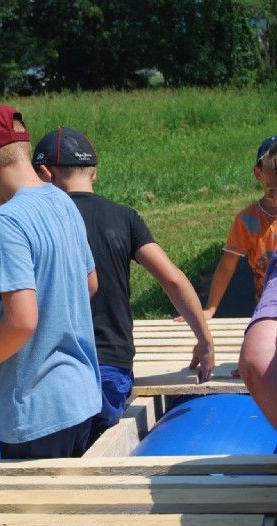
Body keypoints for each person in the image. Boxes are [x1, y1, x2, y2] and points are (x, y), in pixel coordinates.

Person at [0, 105, 101, 459]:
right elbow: (90, 284)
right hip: (81, 396)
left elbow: (21, 321)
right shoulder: (63, 200)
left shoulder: (6, 221)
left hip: (35, 410)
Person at [32, 128, 215, 446]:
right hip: (110, 368)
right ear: (94, 174)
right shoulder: (123, 217)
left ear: (45, 174)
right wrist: (204, 341)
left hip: (53, 369)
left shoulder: (34, 221)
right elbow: (172, 279)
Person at [186, 135, 277, 320]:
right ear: (259, 173)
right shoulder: (247, 221)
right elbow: (227, 265)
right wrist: (211, 308)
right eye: (271, 188)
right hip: (268, 307)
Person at [239, 135, 277, 452]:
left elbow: (258, 361)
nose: (270, 196)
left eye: (275, 189)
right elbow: (228, 261)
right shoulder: (248, 219)